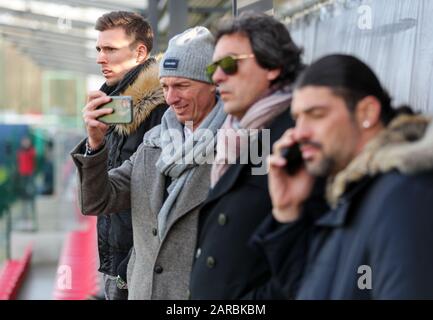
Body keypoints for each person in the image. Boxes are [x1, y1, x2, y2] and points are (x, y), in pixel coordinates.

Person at [71, 26, 226, 299]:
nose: (171, 98)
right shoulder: (154, 144)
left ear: (214, 84)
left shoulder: (237, 148)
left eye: (182, 86)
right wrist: (95, 145)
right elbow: (97, 201)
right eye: (165, 86)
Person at [263, 54, 433, 299]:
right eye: (297, 118)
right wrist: (287, 210)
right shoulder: (354, 193)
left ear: (367, 112)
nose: (300, 133)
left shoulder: (402, 196)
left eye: (316, 114)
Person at [189, 12, 304, 299]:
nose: (217, 77)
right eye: (213, 67)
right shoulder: (237, 135)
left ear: (273, 66)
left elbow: (305, 259)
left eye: (230, 64)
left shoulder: (296, 138)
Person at [90, 11, 168, 300]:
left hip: (139, 268)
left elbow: (160, 196)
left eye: (110, 49)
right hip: (118, 261)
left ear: (139, 53)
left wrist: (127, 270)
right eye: (99, 49)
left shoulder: (161, 110)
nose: (100, 58)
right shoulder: (116, 105)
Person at [16, 136, 37, 231]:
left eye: (27, 141)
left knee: (30, 194)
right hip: (23, 175)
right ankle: (24, 214)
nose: (25, 143)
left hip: (29, 175)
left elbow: (33, 155)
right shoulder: (20, 151)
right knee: (23, 196)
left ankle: (32, 212)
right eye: (24, 141)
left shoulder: (31, 150)